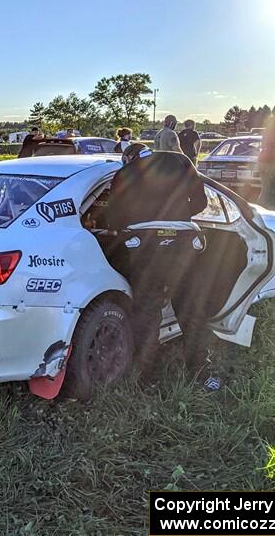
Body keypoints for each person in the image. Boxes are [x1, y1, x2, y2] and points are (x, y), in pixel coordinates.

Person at [106, 143, 208, 379]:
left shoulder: (124, 173)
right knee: (189, 304)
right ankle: (200, 369)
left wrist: (135, 220)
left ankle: (146, 374)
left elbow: (113, 216)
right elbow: (201, 203)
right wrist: (178, 214)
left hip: (144, 244)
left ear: (128, 158)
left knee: (147, 308)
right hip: (183, 239)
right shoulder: (181, 161)